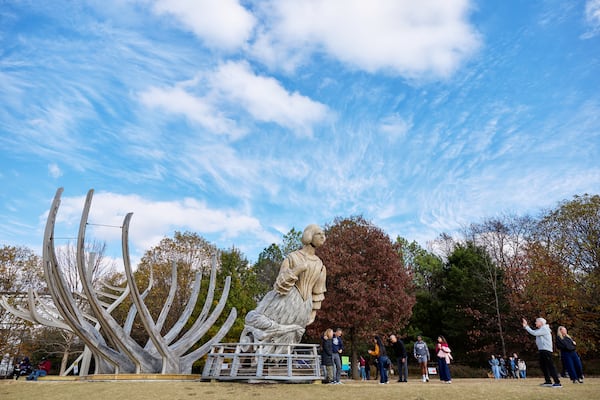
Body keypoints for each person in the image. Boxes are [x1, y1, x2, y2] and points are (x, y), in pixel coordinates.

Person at [240, 225, 326, 354]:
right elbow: (280, 283)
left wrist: (313, 312)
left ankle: (276, 363)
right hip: (285, 302)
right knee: (269, 333)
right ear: (309, 235)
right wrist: (298, 269)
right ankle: (258, 359)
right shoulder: (292, 258)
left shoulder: (320, 265)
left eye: (324, 234)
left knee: (290, 337)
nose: (323, 237)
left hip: (304, 307)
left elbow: (318, 291)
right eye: (319, 234)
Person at [522, 317, 562, 388]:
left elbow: (534, 333)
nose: (535, 323)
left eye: (536, 322)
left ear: (541, 323)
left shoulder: (544, 328)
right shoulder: (541, 329)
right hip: (542, 350)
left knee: (550, 366)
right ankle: (548, 381)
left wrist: (526, 326)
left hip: (546, 350)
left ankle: (557, 382)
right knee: (543, 366)